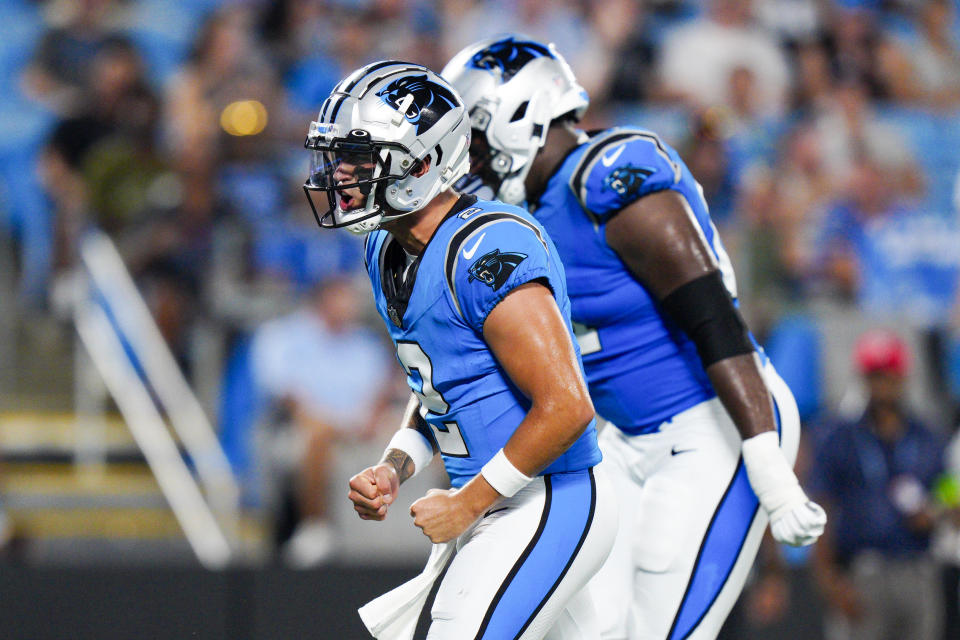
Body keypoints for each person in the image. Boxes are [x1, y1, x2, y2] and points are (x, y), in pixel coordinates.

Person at [443, 36, 826, 640]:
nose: (475, 162)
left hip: (713, 425)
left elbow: (714, 321)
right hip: (620, 438)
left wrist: (769, 465)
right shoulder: (526, 213)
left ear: (520, 116)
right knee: (585, 624)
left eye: (479, 140)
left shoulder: (609, 178)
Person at [304, 61, 616, 638]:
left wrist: (469, 501)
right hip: (499, 498)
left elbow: (568, 406)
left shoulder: (488, 247)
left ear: (420, 162)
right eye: (338, 157)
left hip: (546, 498)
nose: (341, 175)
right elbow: (442, 386)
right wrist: (397, 465)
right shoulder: (386, 247)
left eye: (360, 158)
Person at [810, 329, 946, 640]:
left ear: (903, 377)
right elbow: (821, 508)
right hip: (862, 572)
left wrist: (935, 514)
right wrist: (829, 582)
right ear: (864, 379)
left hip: (918, 570)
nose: (882, 385)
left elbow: (948, 496)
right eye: (875, 376)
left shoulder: (927, 437)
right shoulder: (840, 437)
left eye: (889, 376)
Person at [249, 275, 394, 566]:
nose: (351, 306)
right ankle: (316, 526)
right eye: (343, 298)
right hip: (302, 426)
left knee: (426, 431)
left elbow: (382, 390)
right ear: (323, 300)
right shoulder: (281, 335)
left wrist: (371, 420)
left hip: (361, 426)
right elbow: (282, 392)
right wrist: (320, 420)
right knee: (317, 434)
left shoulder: (366, 343)